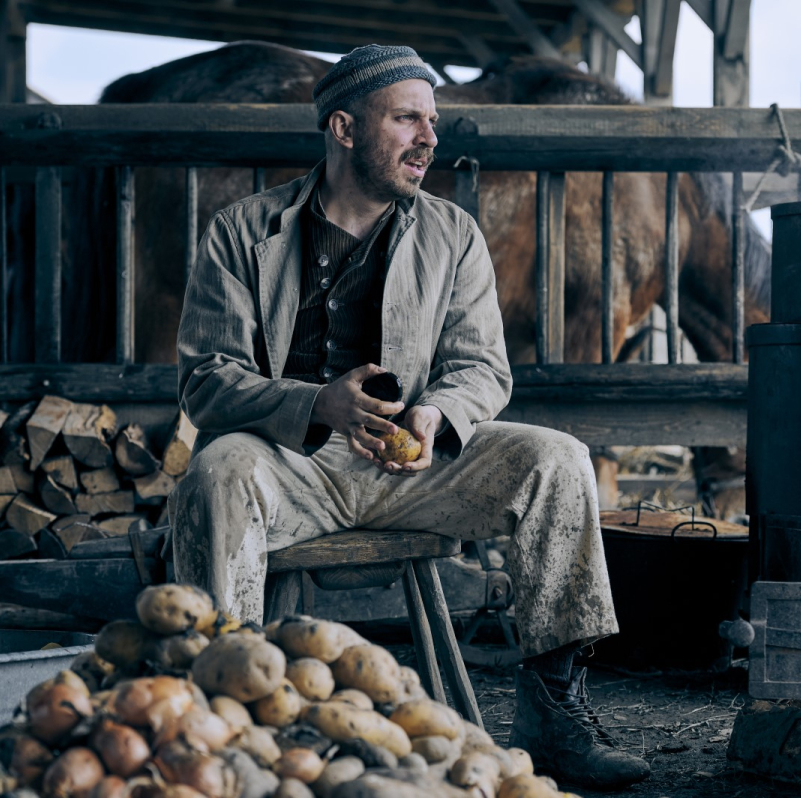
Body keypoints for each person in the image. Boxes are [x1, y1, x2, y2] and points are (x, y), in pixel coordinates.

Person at [168, 44, 650, 789]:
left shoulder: (452, 233)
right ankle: (233, 719)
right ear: (345, 128)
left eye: (432, 120)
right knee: (216, 470)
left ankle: (555, 714)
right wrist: (314, 403)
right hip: (288, 463)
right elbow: (206, 380)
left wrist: (437, 415)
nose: (429, 137)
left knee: (558, 459)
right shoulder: (243, 231)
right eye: (406, 119)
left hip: (412, 467)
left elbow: (483, 368)